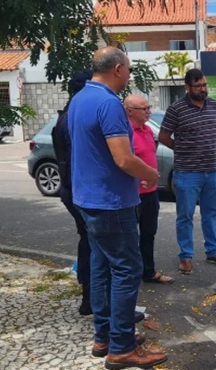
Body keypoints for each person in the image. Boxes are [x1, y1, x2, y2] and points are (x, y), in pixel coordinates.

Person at [68, 47, 167, 369]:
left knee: (101, 269)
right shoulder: (109, 103)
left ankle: (105, 336)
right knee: (127, 270)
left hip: (87, 199)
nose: (129, 75)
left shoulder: (80, 99)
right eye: (129, 69)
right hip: (111, 202)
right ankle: (122, 347)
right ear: (119, 69)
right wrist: (151, 174)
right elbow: (123, 159)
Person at [158, 68, 216, 275]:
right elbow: (164, 136)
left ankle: (213, 251)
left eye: (205, 85)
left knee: (211, 214)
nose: (203, 89)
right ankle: (186, 256)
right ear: (187, 87)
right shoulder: (177, 109)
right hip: (187, 172)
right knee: (185, 216)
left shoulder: (213, 105)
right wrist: (181, 148)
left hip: (211, 170)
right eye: (198, 86)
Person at [51, 69, 94, 315]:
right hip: (79, 191)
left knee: (87, 241)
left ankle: (89, 297)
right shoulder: (73, 118)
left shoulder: (67, 115)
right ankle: (91, 299)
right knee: (92, 244)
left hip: (71, 189)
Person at [123, 95, 174, 285]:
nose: (148, 111)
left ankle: (148, 271)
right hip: (132, 194)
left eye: (148, 107)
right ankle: (129, 275)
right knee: (129, 238)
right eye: (143, 108)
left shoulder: (147, 130)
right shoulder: (125, 133)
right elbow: (122, 163)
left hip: (151, 193)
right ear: (130, 111)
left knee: (148, 233)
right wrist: (137, 179)